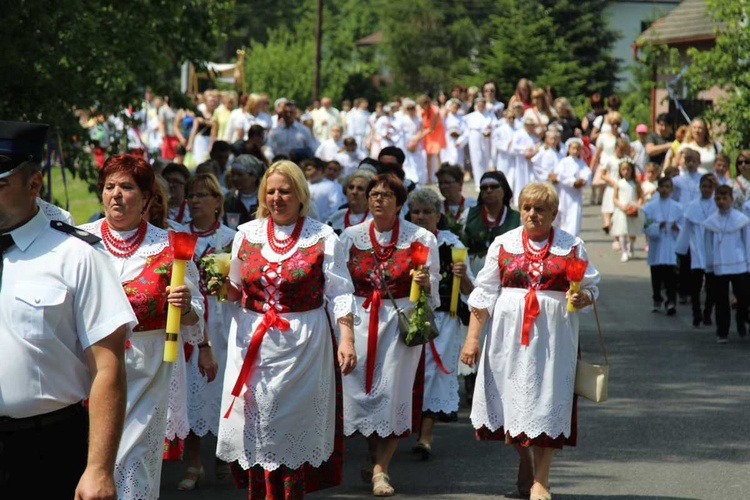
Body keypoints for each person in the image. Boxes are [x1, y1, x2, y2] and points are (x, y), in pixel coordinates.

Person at [0, 122, 136, 498]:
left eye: (0, 185)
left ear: (34, 185)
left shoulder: (76, 256)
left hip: (46, 446)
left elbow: (108, 367)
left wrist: (98, 469)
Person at [216, 160, 357, 497]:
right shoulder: (246, 234)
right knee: (257, 425)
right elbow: (234, 290)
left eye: (285, 191)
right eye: (271, 191)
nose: (277, 197)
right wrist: (217, 285)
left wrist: (347, 339)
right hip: (253, 339)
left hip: (304, 343)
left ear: (300, 194)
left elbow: (340, 293)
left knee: (293, 426)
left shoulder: (322, 236)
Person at [460, 181, 600, 500]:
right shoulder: (503, 244)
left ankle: (541, 479)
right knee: (513, 402)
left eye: (540, 208)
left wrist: (584, 298)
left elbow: (591, 286)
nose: (532, 214)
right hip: (508, 338)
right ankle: (525, 461)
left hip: (555, 338)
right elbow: (483, 294)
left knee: (548, 401)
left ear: (554, 213)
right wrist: (472, 339)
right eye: (526, 207)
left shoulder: (571, 245)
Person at [79, 154, 205, 499]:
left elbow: (197, 321)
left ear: (147, 198)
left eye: (127, 187)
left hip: (147, 374)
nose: (116, 194)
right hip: (86, 373)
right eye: (109, 186)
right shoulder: (79, 243)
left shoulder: (170, 245)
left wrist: (187, 307)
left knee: (134, 470)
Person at [340, 173, 440, 497]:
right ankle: (374, 456)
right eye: (373, 194)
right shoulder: (350, 236)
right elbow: (339, 286)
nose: (377, 200)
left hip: (400, 321)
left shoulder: (422, 238)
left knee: (392, 392)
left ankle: (382, 469)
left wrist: (427, 285)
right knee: (365, 393)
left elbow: (434, 291)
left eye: (385, 195)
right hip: (359, 319)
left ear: (399, 203)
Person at [177, 173, 236, 489]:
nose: (195, 201)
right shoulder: (176, 235)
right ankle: (194, 463)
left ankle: (224, 455)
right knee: (189, 390)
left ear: (217, 201)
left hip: (221, 321)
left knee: (221, 389)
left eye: (202, 195)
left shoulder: (230, 238)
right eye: (191, 195)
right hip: (188, 320)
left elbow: (235, 288)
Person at [407, 188, 474, 459]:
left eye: (427, 212)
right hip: (405, 317)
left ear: (438, 215)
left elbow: (471, 290)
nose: (421, 217)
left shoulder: (453, 245)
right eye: (416, 212)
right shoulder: (401, 243)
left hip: (444, 319)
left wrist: (463, 275)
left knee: (434, 374)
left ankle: (425, 436)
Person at [703, 185, 750, 343]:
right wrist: (709, 265)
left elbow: (747, 242)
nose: (721, 202)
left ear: (732, 199)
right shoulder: (711, 222)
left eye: (724, 198)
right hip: (720, 264)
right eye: (718, 198)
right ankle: (722, 331)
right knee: (721, 299)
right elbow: (708, 245)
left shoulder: (741, 220)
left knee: (744, 297)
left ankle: (741, 318)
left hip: (739, 264)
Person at [676, 174, 717, 327]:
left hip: (712, 249)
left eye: (709, 187)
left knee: (711, 285)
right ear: (700, 188)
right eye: (704, 186)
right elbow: (686, 229)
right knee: (696, 284)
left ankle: (707, 312)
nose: (706, 190)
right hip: (697, 248)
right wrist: (681, 248)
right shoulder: (693, 206)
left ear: (713, 189)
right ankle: (696, 312)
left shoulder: (716, 205)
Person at [463, 171, 521, 276]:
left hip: (506, 272)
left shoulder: (517, 218)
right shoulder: (468, 215)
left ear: (504, 190)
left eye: (494, 186)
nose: (489, 190)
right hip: (473, 273)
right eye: (484, 188)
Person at [642, 177, 682, 315]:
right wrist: (658, 226)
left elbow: (683, 227)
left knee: (671, 277)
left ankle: (671, 302)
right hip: (657, 246)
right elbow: (646, 227)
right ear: (658, 188)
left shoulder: (678, 207)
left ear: (671, 189)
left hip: (671, 246)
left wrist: (678, 228)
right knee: (657, 277)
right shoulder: (650, 207)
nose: (664, 190)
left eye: (667, 187)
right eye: (662, 187)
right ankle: (657, 299)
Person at [549, 138, 592, 237]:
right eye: (573, 148)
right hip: (564, 194)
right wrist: (572, 182)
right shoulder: (564, 162)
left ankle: (572, 237)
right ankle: (562, 235)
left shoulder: (581, 163)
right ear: (568, 149)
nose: (575, 151)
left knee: (575, 215)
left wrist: (583, 181)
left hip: (575, 196)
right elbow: (560, 175)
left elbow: (587, 173)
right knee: (563, 214)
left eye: (578, 149)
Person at [611, 159, 644, 262]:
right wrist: (621, 206)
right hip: (622, 209)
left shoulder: (635, 183)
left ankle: (631, 246)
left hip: (633, 208)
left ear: (632, 170)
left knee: (632, 231)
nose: (626, 171)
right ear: (620, 171)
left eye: (628, 169)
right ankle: (624, 251)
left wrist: (637, 205)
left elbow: (640, 196)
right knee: (622, 231)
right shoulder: (619, 183)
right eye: (623, 169)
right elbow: (615, 198)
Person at [327, 168, 375, 235]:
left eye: (360, 189)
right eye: (351, 187)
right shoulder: (335, 218)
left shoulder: (375, 220)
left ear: (370, 193)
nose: (354, 192)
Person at [223, 154, 266, 227]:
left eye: (240, 175)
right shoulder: (228, 200)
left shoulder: (265, 199)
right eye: (233, 174)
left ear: (254, 177)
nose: (234, 178)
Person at [436, 163, 477, 236]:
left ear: (460, 184)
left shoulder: (473, 205)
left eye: (447, 183)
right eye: (440, 183)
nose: (442, 187)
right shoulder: (437, 208)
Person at [509, 116, 541, 206]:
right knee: (521, 179)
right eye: (528, 125)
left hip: (531, 161)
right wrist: (524, 150)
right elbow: (514, 146)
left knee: (532, 179)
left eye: (531, 125)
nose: (530, 127)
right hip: (521, 161)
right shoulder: (518, 133)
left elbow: (538, 145)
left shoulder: (534, 135)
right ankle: (520, 200)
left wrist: (534, 151)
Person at [465, 97, 495, 189]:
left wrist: (490, 128)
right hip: (475, 138)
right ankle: (478, 183)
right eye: (479, 104)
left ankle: (486, 181)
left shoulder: (490, 115)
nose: (481, 106)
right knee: (477, 160)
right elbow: (465, 129)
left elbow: (496, 125)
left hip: (486, 139)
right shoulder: (470, 116)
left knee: (486, 160)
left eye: (482, 104)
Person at [303, 157, 345, 222]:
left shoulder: (333, 186)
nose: (307, 173)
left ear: (319, 170)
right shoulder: (303, 185)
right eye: (306, 170)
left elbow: (335, 207)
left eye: (309, 169)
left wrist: (328, 223)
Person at [442, 98, 468, 166]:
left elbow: (465, 131)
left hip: (457, 142)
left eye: (457, 107)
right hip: (447, 142)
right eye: (453, 107)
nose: (455, 109)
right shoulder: (445, 117)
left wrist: (460, 141)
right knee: (447, 160)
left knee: (457, 160)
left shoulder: (461, 118)